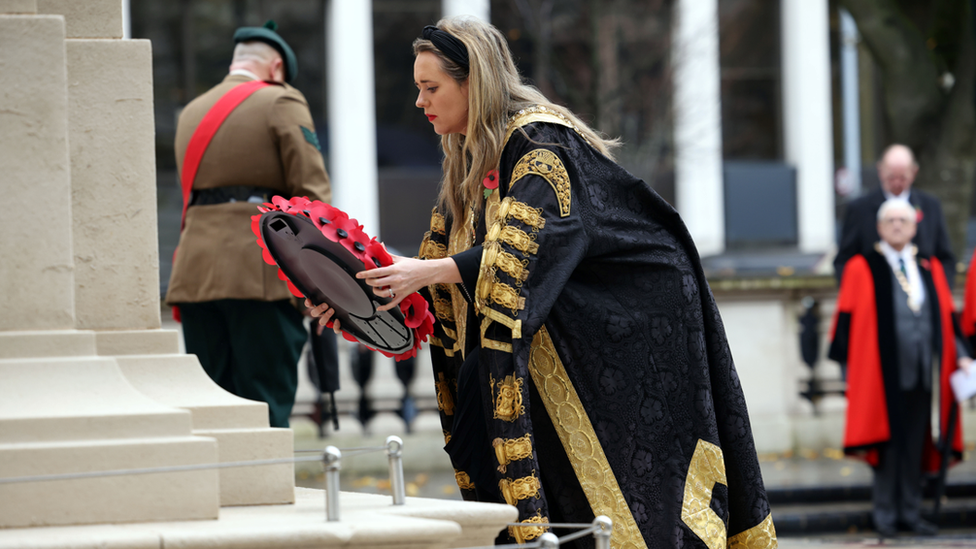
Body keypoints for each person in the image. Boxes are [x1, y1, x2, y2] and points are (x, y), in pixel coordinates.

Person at [310, 18, 774, 548]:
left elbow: (531, 247)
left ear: (474, 82)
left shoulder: (542, 144)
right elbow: (436, 282)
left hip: (615, 346)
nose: (419, 102)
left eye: (430, 88)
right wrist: (357, 297)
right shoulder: (466, 156)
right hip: (534, 352)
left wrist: (430, 271)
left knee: (622, 507)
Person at [166, 21, 331, 428]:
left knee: (211, 401)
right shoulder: (280, 100)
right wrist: (326, 274)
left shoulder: (192, 111)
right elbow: (312, 196)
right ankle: (263, 489)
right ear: (275, 67)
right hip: (258, 272)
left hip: (195, 273)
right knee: (264, 400)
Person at [828, 199, 968, 538]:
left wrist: (961, 354)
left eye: (902, 220)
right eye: (889, 220)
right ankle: (886, 515)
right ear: (878, 228)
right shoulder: (863, 267)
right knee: (888, 444)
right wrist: (851, 375)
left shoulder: (928, 266)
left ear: (914, 226)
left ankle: (910, 512)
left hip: (925, 372)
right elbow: (846, 322)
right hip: (882, 375)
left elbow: (949, 318)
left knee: (917, 443)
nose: (896, 226)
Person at [834, 144, 954, 283]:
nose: (897, 183)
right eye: (891, 177)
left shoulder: (930, 206)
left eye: (902, 178)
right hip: (874, 294)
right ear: (881, 171)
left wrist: (937, 295)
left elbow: (945, 258)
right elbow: (844, 261)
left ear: (914, 172)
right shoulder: (859, 209)